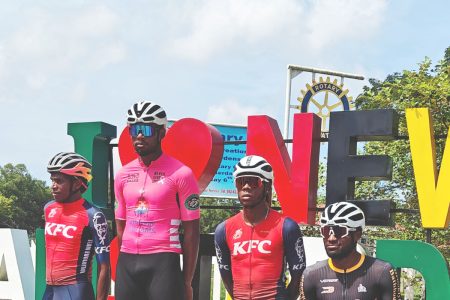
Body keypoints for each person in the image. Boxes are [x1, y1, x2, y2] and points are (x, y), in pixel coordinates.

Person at [114, 101, 200, 300]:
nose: (140, 135)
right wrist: (123, 260)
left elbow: (192, 232)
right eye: (134, 129)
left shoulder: (182, 174)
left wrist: (187, 281)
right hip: (128, 262)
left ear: (162, 133)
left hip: (163, 262)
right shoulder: (123, 174)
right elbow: (120, 225)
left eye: (146, 129)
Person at [215, 155, 306, 300]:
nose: (246, 187)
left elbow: (298, 275)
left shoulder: (287, 226)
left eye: (254, 182)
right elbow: (225, 275)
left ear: (267, 186)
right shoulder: (223, 229)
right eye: (240, 182)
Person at [299, 201, 401, 299]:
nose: (331, 238)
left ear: (357, 235)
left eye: (339, 231)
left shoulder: (381, 271)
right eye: (325, 231)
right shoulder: (311, 275)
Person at [43, 152, 110, 300]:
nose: (53, 186)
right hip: (50, 290)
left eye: (59, 181)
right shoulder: (49, 208)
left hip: (75, 290)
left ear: (77, 183)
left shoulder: (94, 215)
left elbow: (104, 267)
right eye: (52, 180)